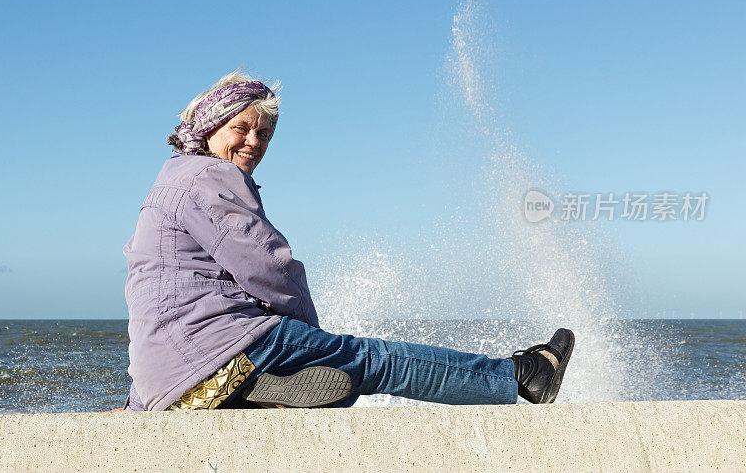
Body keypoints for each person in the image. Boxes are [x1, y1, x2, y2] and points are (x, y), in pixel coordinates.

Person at [121, 70, 574, 412]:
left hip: (170, 375)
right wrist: (312, 334)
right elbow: (269, 268)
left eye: (264, 134)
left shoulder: (168, 183)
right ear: (211, 126)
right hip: (222, 347)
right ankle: (522, 375)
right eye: (242, 128)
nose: (254, 142)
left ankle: (256, 390)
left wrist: (136, 404)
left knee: (338, 373)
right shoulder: (209, 176)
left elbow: (154, 307)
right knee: (373, 359)